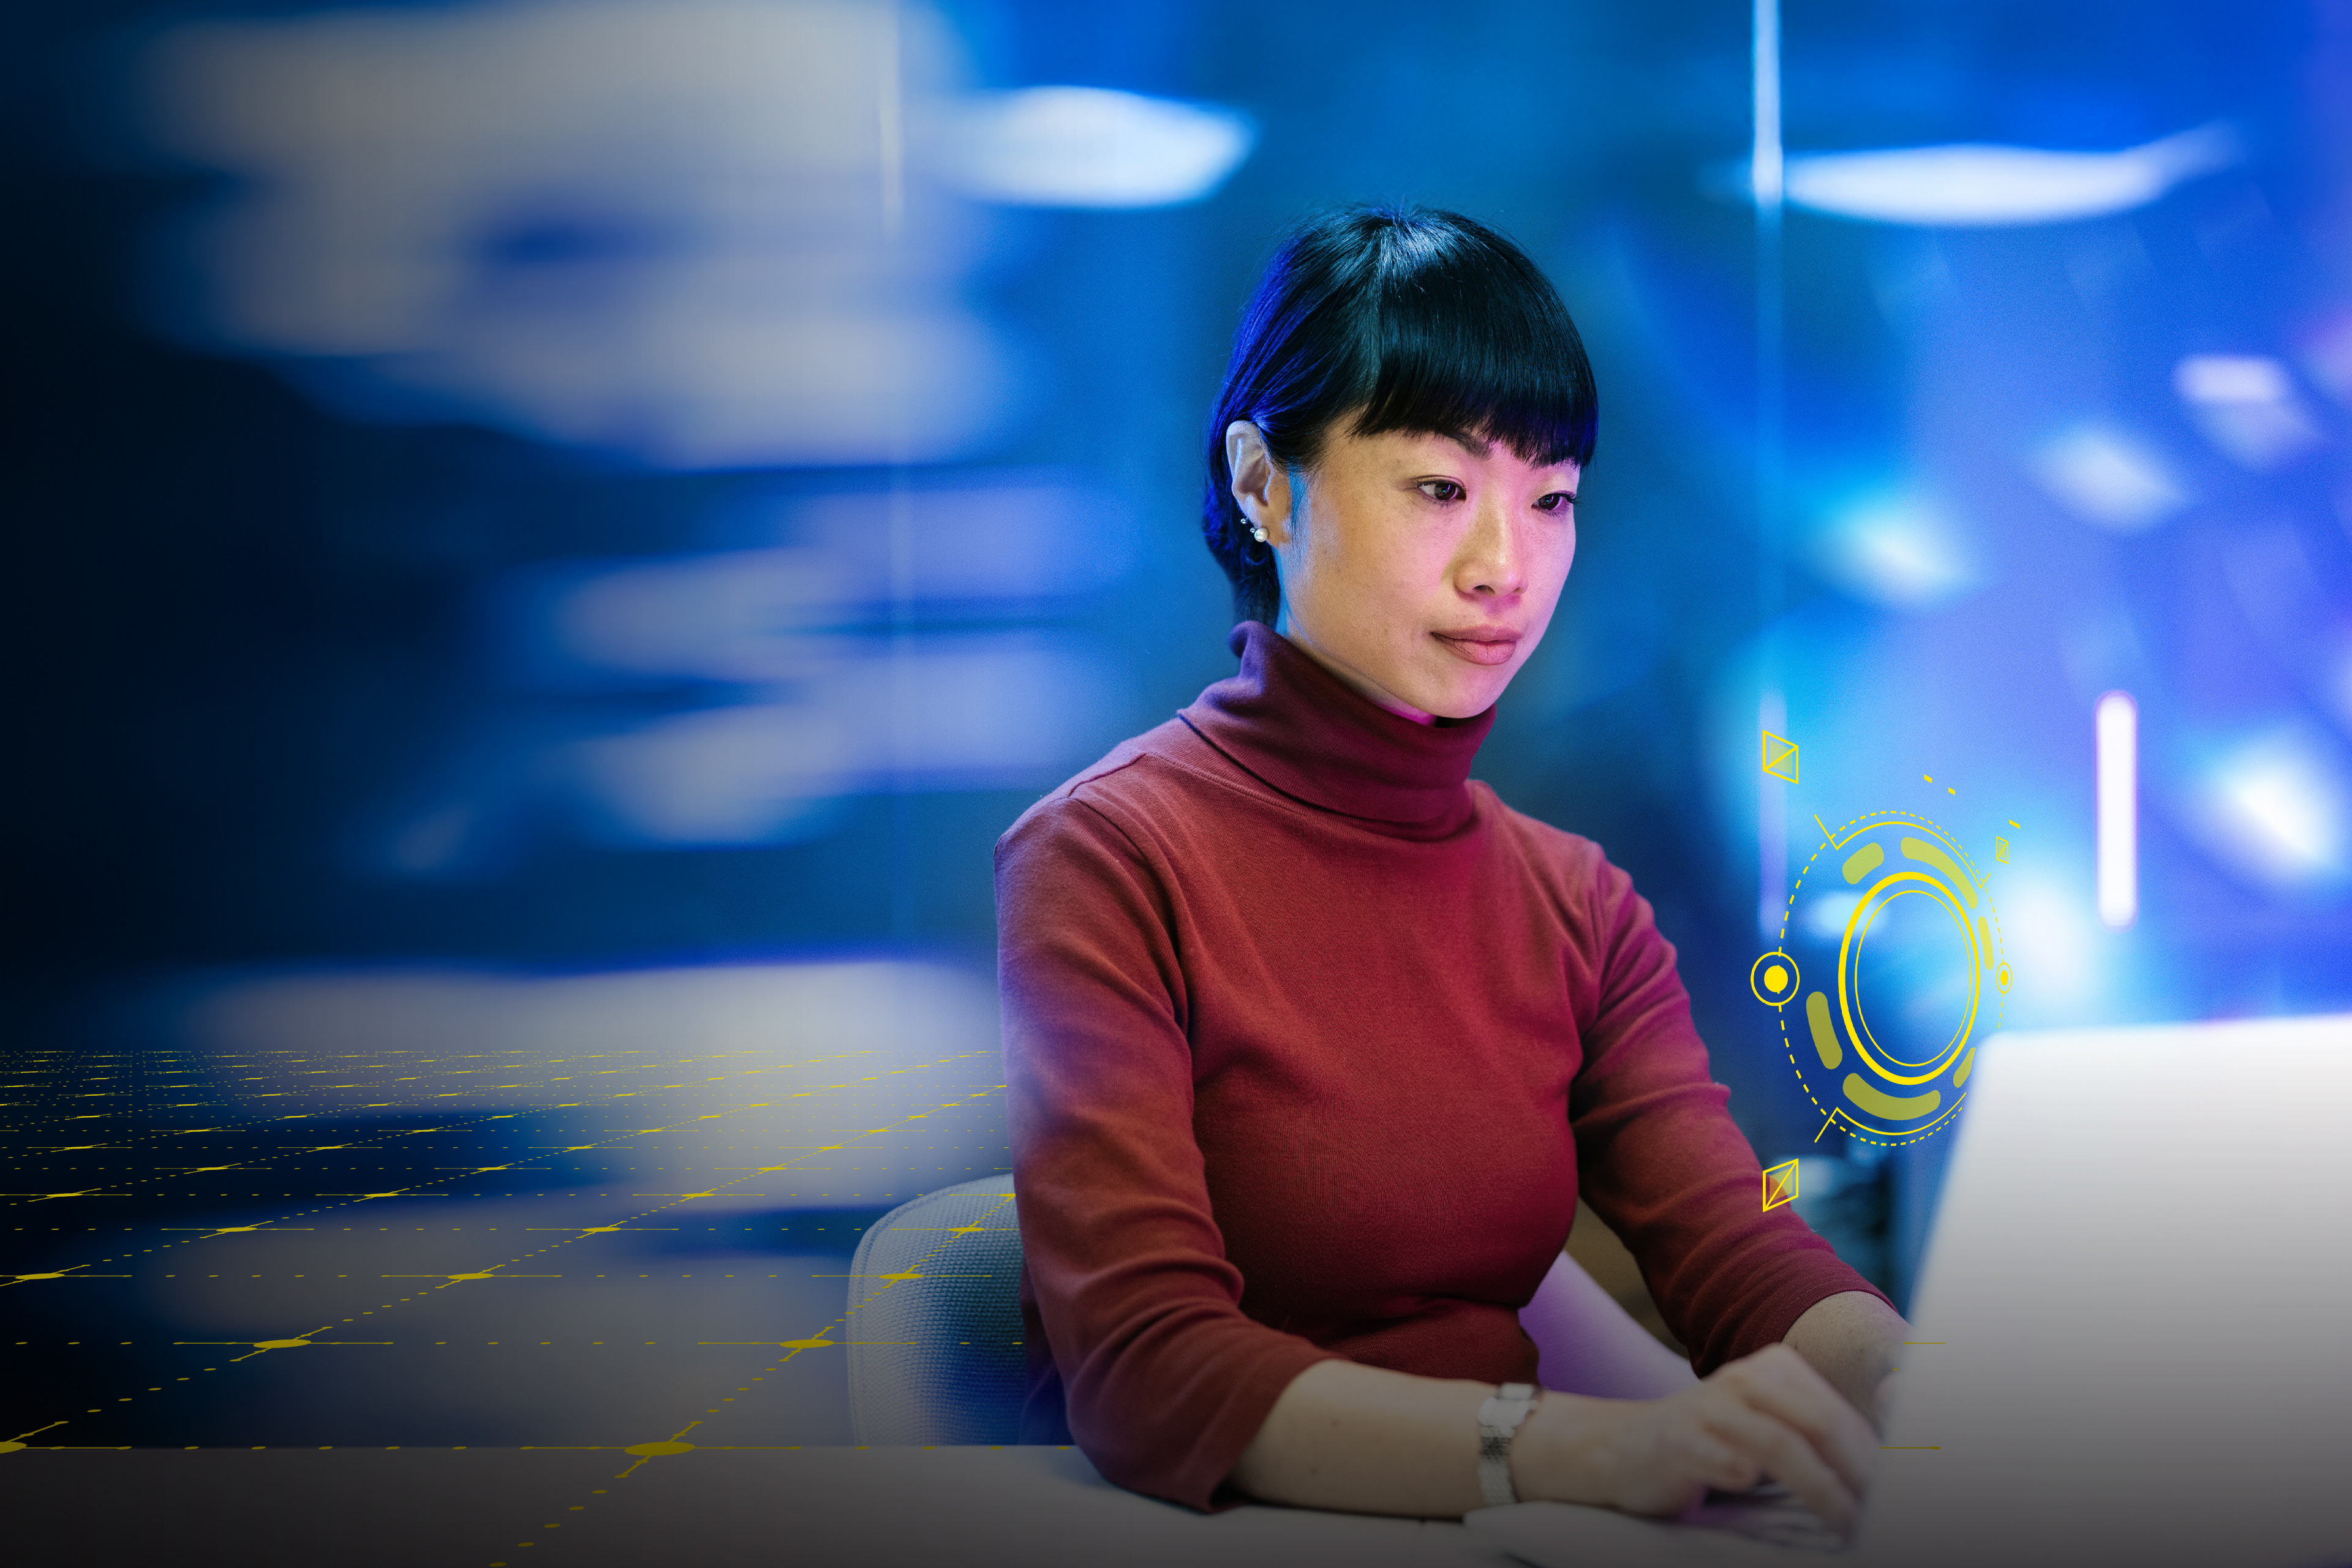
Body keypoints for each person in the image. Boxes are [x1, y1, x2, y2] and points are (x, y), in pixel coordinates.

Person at [993, 205, 1908, 1532]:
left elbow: (1732, 1246)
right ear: (1263, 484)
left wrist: (1933, 1400)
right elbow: (1149, 1369)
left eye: (1552, 501)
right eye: (1440, 488)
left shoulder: (1575, 901)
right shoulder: (1109, 858)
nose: (1506, 567)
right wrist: (1569, 1449)